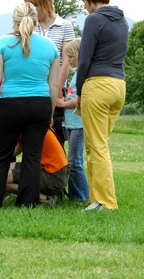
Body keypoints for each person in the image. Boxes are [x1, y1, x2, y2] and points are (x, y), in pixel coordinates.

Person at [0, 2, 59, 207]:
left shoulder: (3, 44)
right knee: (32, 157)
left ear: (14, 21)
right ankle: (27, 203)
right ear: (36, 22)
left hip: (11, 105)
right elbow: (53, 86)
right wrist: (50, 112)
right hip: (40, 105)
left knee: (1, 154)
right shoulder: (51, 47)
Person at [76, 0, 129, 211]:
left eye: (84, 2)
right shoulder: (122, 21)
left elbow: (84, 59)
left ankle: (106, 202)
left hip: (97, 85)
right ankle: (95, 199)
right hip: (119, 85)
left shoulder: (94, 19)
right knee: (98, 145)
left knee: (96, 146)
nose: (84, 7)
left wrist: (79, 90)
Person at [23, 0, 75, 147]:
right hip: (33, 88)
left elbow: (66, 59)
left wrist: (57, 88)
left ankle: (57, 171)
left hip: (56, 88)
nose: (32, 11)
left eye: (34, 6)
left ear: (44, 4)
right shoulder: (30, 26)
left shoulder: (65, 26)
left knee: (55, 136)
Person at [0, 128, 69, 204]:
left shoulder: (22, 128)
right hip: (58, 173)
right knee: (6, 168)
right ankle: (52, 193)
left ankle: (46, 198)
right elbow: (12, 151)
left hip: (53, 176)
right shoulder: (32, 128)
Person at [57, 38, 89, 202]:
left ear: (77, 54)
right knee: (74, 160)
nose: (68, 61)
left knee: (74, 161)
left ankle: (82, 196)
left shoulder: (82, 75)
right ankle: (75, 194)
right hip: (70, 123)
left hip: (78, 124)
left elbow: (79, 100)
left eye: (70, 57)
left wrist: (62, 103)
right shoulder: (76, 74)